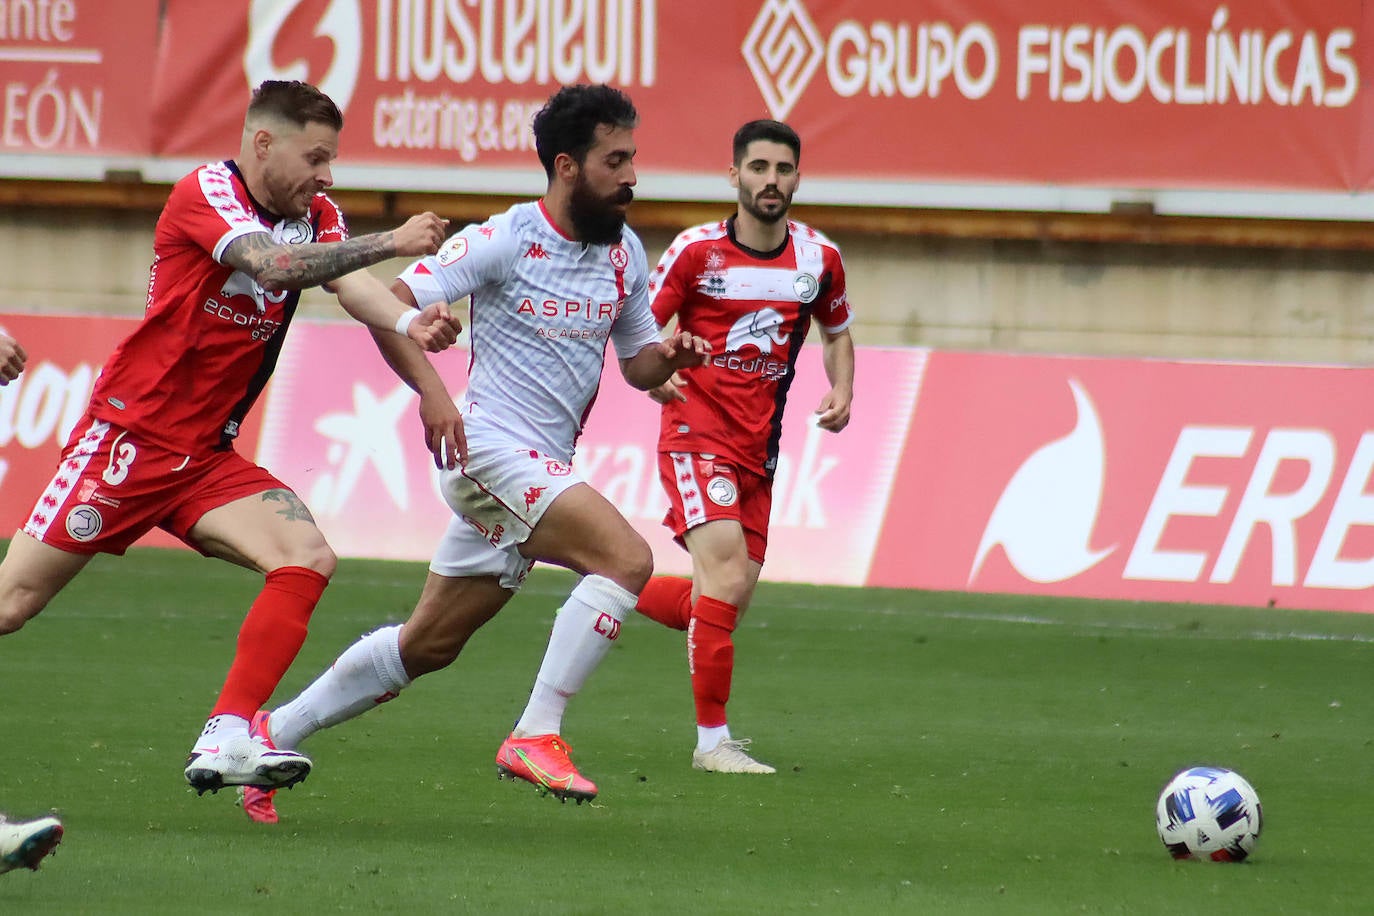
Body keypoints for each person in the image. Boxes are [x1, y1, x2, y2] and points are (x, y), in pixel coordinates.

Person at [237, 83, 710, 824]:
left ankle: (267, 741)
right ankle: (536, 734)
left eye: (632, 158)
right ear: (566, 165)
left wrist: (671, 356)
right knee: (626, 561)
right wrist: (433, 393)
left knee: (426, 646)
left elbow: (639, 363)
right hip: (486, 451)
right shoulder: (504, 238)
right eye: (615, 160)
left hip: (534, 468)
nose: (631, 176)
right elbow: (391, 303)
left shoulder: (623, 252)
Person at [0, 80, 462, 798]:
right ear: (262, 143)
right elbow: (271, 266)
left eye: (331, 160)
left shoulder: (318, 214)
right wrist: (392, 239)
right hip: (131, 439)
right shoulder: (205, 192)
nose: (326, 175)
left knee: (306, 557)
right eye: (315, 157)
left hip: (205, 458)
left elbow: (355, 287)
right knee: (11, 606)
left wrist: (407, 324)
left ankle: (226, 732)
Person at [633, 119, 855, 774]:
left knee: (722, 599)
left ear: (796, 178)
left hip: (760, 449)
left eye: (783, 170)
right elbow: (640, 324)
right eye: (758, 168)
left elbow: (837, 330)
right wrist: (654, 369)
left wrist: (842, 388)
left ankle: (609, 576)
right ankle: (712, 744)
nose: (770, 181)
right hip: (695, 430)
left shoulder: (818, 259)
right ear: (735, 175)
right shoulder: (697, 253)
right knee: (725, 580)